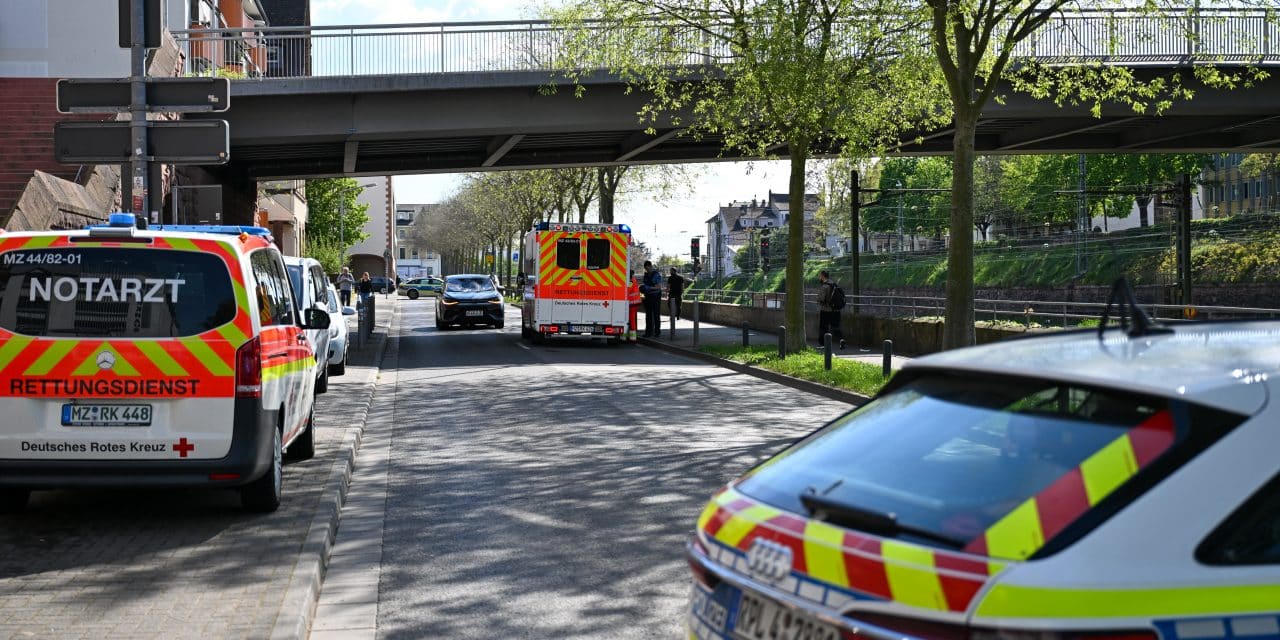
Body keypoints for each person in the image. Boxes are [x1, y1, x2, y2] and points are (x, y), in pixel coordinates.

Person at [817, 270, 845, 350]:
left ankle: (823, 344)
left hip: (826, 310)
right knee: (836, 327)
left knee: (823, 327)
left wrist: (820, 301)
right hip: (836, 310)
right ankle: (841, 339)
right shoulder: (834, 284)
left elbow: (820, 299)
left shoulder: (825, 286)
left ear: (822, 276)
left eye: (820, 276)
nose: (820, 277)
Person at [640, 260, 663, 337]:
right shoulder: (646, 275)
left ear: (650, 266)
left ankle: (657, 332)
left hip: (655, 296)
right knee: (648, 315)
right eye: (645, 269)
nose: (647, 270)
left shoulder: (656, 275)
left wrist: (649, 288)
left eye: (647, 268)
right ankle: (648, 332)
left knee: (656, 314)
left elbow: (658, 287)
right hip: (648, 297)